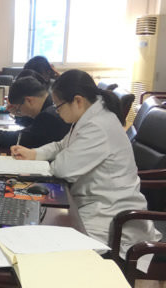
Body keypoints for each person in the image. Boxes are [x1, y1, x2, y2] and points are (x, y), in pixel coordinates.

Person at [11, 69, 161, 258]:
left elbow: (62, 169)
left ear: (78, 101)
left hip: (110, 214)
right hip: (93, 203)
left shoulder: (97, 126)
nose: (57, 112)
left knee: (51, 248)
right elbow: (62, 145)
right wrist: (33, 153)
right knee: (44, 229)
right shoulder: (89, 116)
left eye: (58, 106)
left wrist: (44, 161)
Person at [0, 76, 71, 148]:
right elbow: (32, 126)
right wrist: (17, 113)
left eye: (19, 109)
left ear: (29, 100)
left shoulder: (48, 116)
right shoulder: (49, 102)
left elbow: (22, 140)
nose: (20, 112)